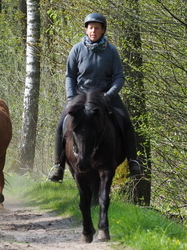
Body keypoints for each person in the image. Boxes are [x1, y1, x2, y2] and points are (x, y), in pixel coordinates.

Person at [48, 13, 142, 182]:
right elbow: (70, 75)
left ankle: (133, 161)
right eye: (90, 27)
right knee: (62, 123)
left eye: (97, 28)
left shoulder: (111, 51)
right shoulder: (76, 50)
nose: (93, 31)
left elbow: (119, 76)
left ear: (103, 30)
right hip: (80, 96)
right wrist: (71, 97)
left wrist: (110, 94)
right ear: (86, 30)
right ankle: (58, 166)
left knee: (126, 121)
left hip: (105, 96)